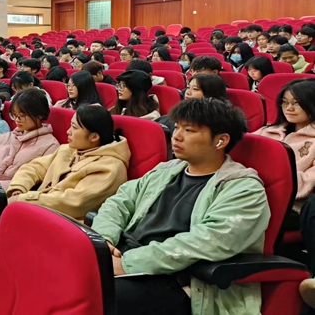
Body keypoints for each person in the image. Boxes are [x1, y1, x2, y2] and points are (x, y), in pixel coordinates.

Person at [92, 98, 265, 315]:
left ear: (221, 141)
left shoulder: (243, 189)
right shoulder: (167, 169)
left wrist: (127, 264)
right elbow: (120, 202)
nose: (176, 136)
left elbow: (206, 242)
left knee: (93, 296)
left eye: (189, 130)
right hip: (128, 258)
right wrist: (104, 240)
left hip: (181, 279)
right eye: (176, 127)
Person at [7, 104, 130, 220]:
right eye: (71, 125)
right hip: (40, 211)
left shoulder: (109, 168)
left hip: (67, 223)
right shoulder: (68, 149)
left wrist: (24, 199)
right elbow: (34, 168)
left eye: (74, 128)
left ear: (94, 137)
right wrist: (18, 189)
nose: (68, 131)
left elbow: (73, 202)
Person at [0, 89, 59, 188]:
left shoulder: (50, 146)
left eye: (21, 116)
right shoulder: (7, 136)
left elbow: (36, 181)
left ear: (40, 115)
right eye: (14, 115)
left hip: (11, 191)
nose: (17, 120)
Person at [255, 80, 315, 215]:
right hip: (249, 196)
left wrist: (264, 177)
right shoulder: (267, 131)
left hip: (289, 207)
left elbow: (307, 183)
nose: (289, 108)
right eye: (285, 102)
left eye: (296, 103)